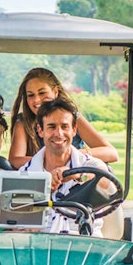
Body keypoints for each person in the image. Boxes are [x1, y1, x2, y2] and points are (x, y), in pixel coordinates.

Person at [19, 97, 112, 236]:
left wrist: (77, 174)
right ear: (40, 130)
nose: (59, 134)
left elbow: (106, 182)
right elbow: (15, 218)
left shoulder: (90, 164)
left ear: (74, 130)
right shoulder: (25, 174)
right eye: (51, 127)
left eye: (64, 126)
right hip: (42, 244)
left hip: (85, 243)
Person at [7, 68, 118, 169]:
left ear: (55, 92)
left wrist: (70, 156)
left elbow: (111, 153)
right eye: (31, 95)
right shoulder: (23, 123)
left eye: (42, 93)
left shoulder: (72, 116)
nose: (36, 100)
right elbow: (15, 159)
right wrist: (51, 161)